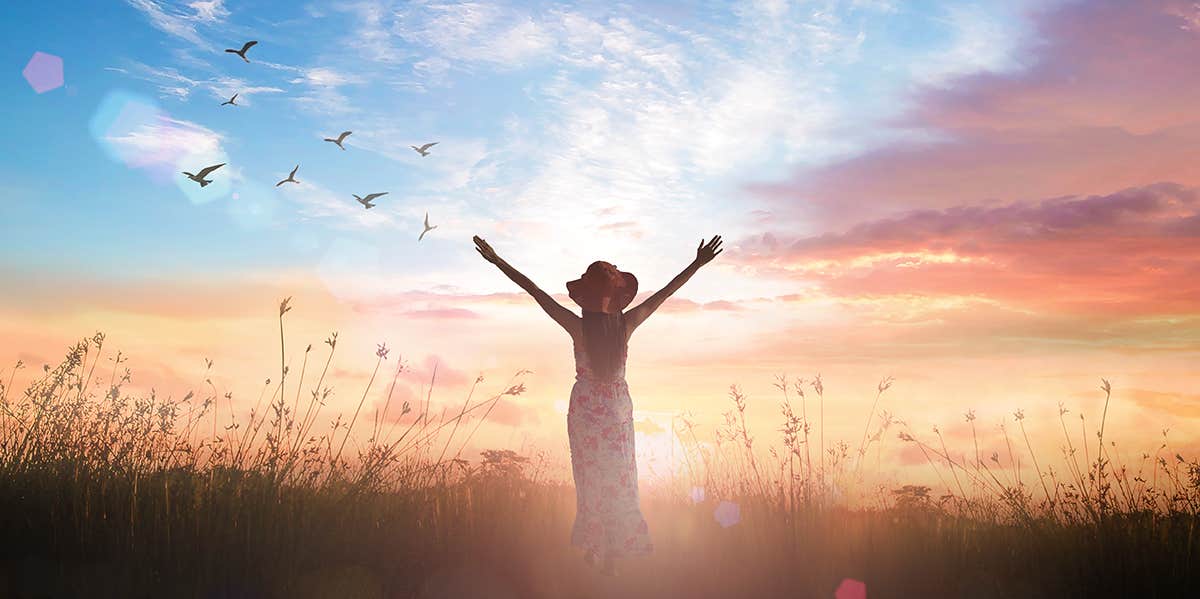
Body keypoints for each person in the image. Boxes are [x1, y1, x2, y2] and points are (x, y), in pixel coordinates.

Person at [472, 234, 724, 576]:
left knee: (589, 480)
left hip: (586, 411)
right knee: (621, 480)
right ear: (617, 297)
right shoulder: (627, 326)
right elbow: (665, 293)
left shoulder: (578, 327)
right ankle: (613, 556)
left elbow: (537, 294)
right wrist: (696, 263)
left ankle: (593, 544)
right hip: (617, 410)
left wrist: (498, 260)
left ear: (585, 298)